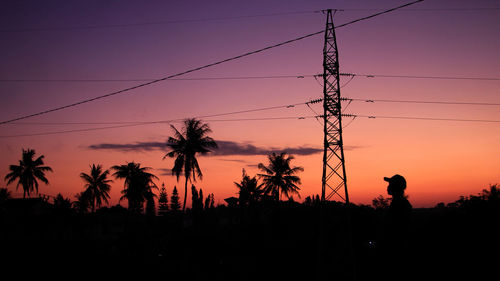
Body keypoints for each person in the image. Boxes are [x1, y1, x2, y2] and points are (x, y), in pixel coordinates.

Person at [380, 174, 412, 280]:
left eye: (390, 184)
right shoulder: (399, 203)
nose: (387, 187)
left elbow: (397, 230)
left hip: (397, 251)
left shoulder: (400, 205)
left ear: (395, 187)